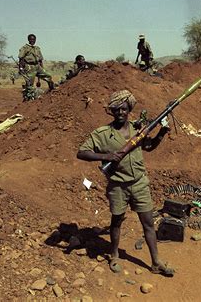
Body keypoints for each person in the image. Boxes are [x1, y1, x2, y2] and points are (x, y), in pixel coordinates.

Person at [77, 90, 175, 277]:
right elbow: (82, 152)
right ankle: (114, 255)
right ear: (112, 111)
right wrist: (106, 156)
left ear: (129, 109)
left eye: (124, 109)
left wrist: (162, 132)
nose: (121, 112)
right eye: (117, 109)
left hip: (139, 183)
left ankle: (156, 262)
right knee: (116, 221)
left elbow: (148, 146)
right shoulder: (102, 134)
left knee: (148, 223)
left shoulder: (137, 130)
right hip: (118, 186)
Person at [18, 34, 55, 101]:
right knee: (30, 84)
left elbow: (40, 59)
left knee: (48, 76)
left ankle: (52, 90)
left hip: (37, 66)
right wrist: (21, 68)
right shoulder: (25, 48)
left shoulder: (37, 48)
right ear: (28, 40)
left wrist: (42, 68)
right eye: (31, 39)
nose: (33, 41)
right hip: (29, 66)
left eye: (34, 39)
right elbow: (21, 59)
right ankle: (29, 98)